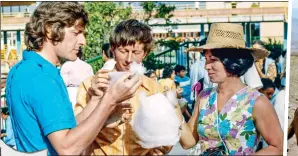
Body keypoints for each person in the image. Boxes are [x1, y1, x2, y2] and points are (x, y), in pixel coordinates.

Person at [5, 2, 141, 155]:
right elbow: (67, 148)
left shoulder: (23, 69)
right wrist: (110, 100)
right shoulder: (41, 77)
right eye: (76, 33)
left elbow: (64, 129)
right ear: (50, 30)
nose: (83, 41)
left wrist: (96, 102)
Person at [75, 19, 176, 155]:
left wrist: (162, 147)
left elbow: (167, 137)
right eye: (123, 51)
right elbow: (74, 133)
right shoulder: (91, 85)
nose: (129, 59)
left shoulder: (155, 89)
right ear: (113, 49)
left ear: (145, 54)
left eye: (136, 52)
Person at [178, 23, 283, 155]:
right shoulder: (204, 97)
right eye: (206, 59)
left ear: (232, 61)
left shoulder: (256, 102)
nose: (206, 66)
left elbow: (278, 147)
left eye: (213, 60)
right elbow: (188, 142)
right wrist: (176, 110)